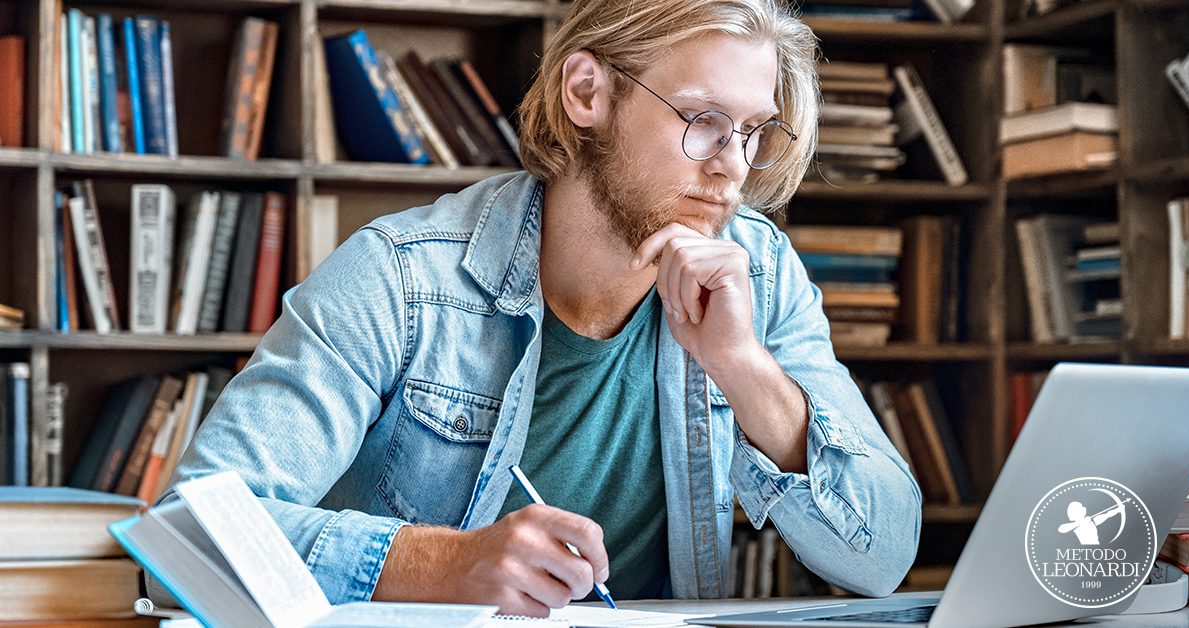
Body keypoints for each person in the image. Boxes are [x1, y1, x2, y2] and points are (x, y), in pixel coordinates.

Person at [163, 0, 920, 616]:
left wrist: (742, 366)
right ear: (586, 92)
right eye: (702, 121)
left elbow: (882, 556)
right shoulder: (400, 277)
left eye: (754, 133)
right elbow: (190, 533)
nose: (732, 166)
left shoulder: (757, 275)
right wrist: (449, 564)